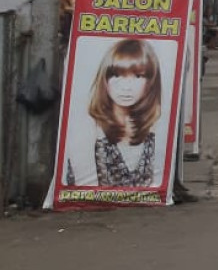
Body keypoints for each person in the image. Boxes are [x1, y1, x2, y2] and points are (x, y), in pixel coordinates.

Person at [64, 38, 164, 187]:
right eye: (117, 75)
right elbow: (82, 187)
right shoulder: (88, 127)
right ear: (105, 79)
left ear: (150, 82)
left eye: (138, 76)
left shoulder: (155, 127)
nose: (126, 87)